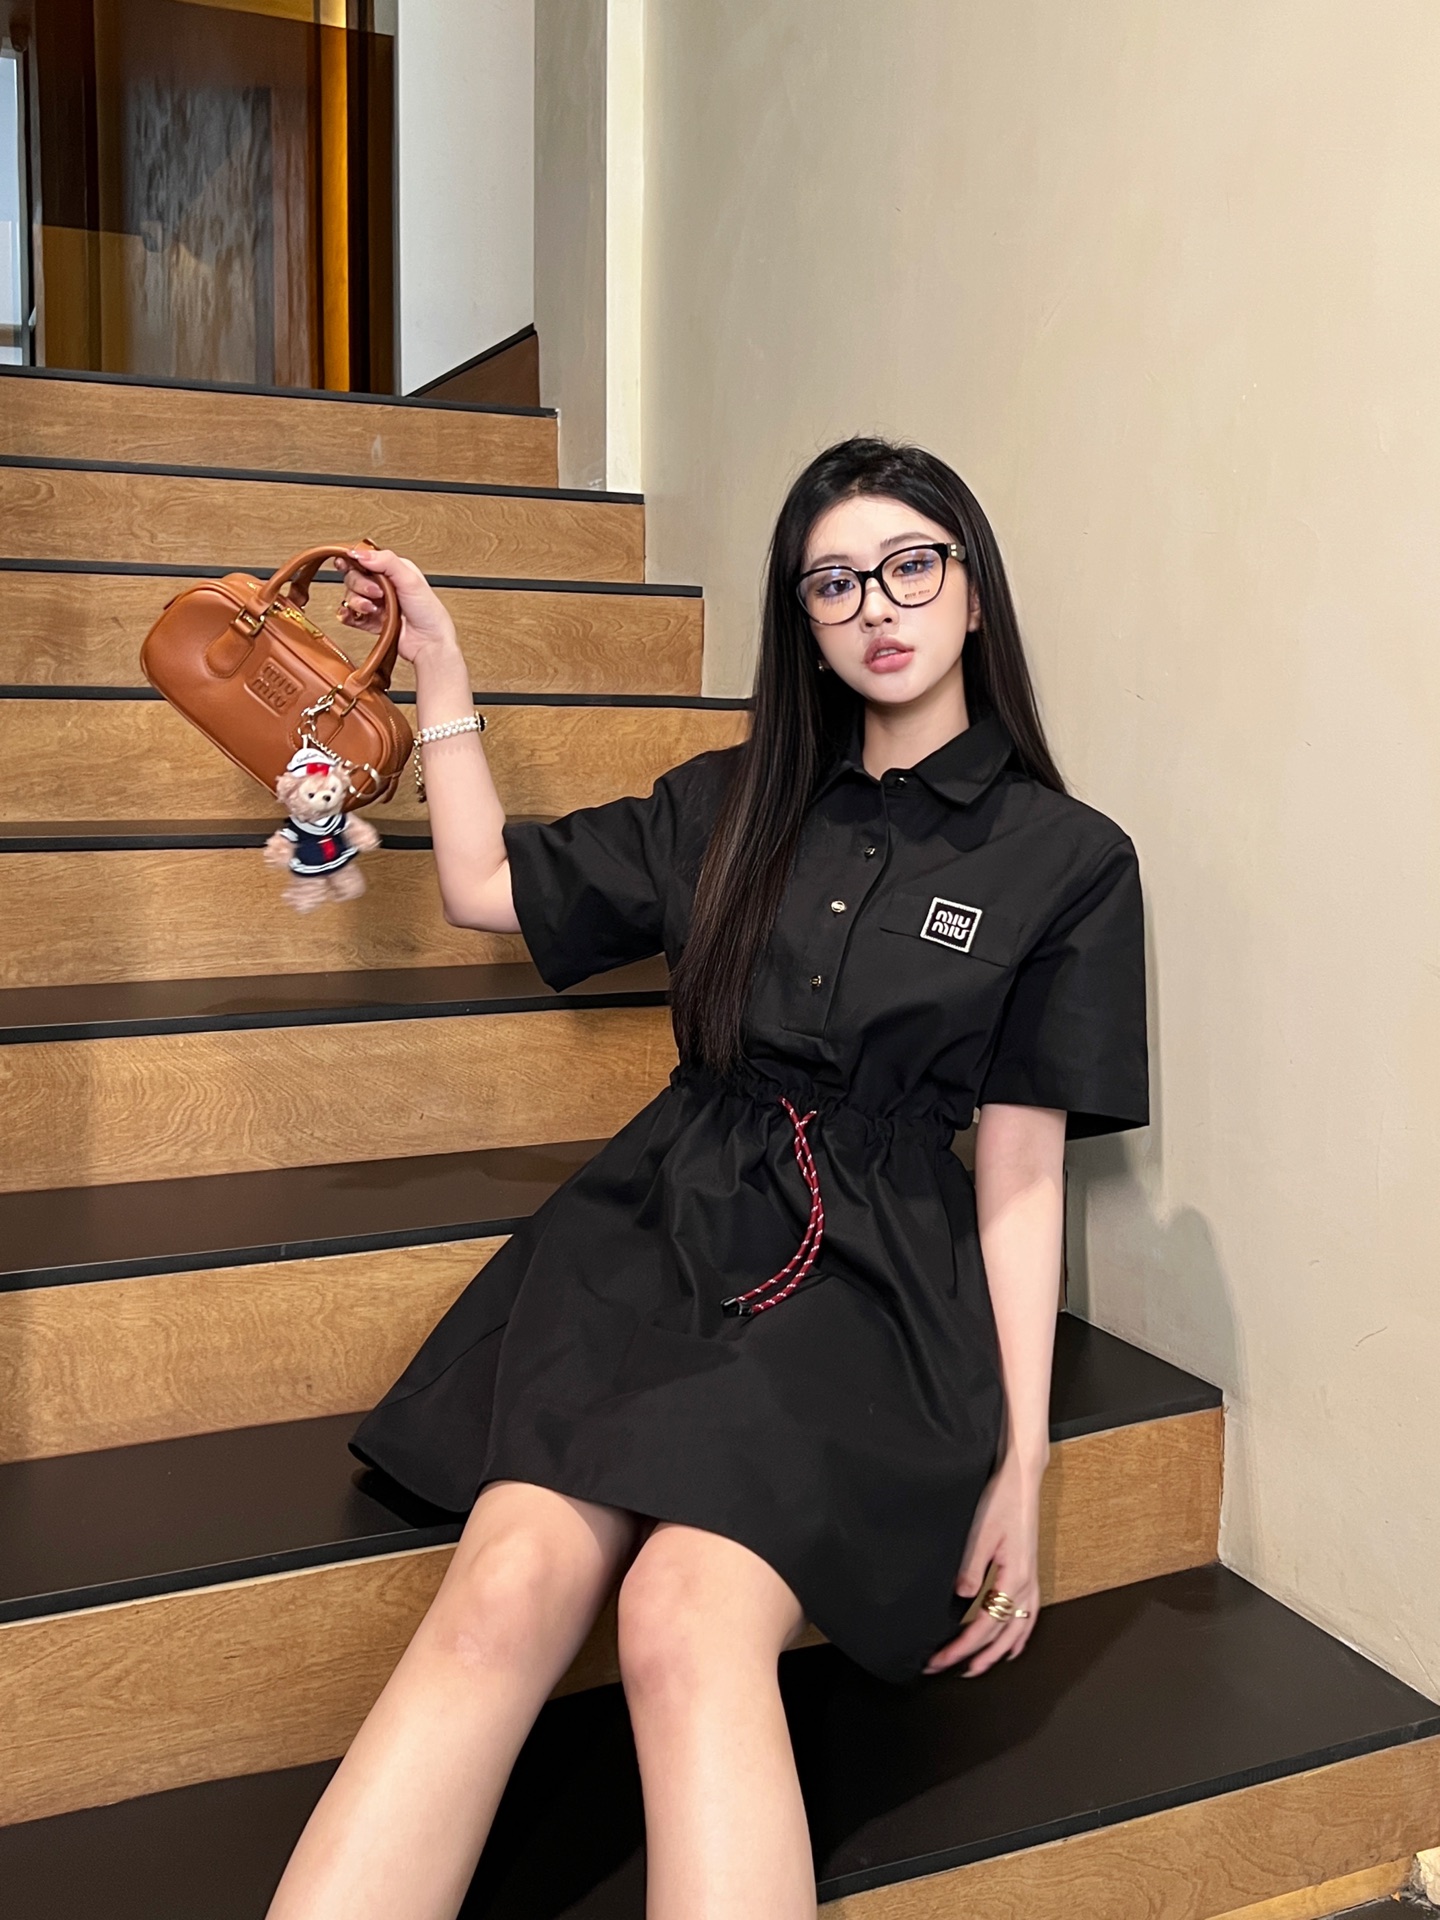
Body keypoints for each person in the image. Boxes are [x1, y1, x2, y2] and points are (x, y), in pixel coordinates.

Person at [266, 437, 1149, 1920]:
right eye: (833, 582)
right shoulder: (729, 800)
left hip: (868, 1283)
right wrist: (439, 667)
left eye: (910, 565)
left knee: (683, 1613)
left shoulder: (1068, 858)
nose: (877, 605)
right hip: (657, 1230)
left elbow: (1019, 1171)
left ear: (972, 586)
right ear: (800, 619)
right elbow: (485, 888)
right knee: (503, 1585)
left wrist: (1024, 1459)